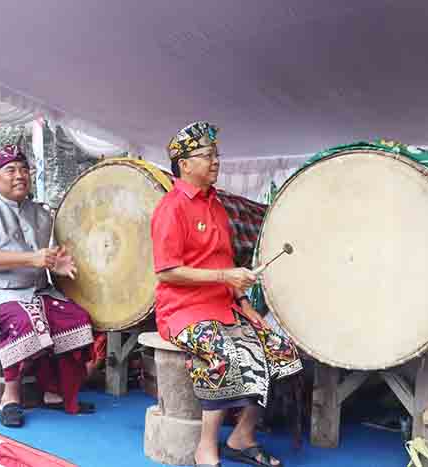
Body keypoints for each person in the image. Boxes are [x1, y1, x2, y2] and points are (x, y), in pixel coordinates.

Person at [152, 122, 303, 467]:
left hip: (223, 306)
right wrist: (224, 275)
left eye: (216, 154)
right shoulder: (170, 208)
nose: (215, 161)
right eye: (207, 155)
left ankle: (242, 436)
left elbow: (224, 266)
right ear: (184, 164)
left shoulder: (217, 205)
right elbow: (165, 271)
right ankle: (206, 447)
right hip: (182, 311)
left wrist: (245, 303)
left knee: (280, 350)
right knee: (225, 352)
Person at [0, 145, 95, 428]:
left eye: (24, 170)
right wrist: (33, 258)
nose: (19, 175)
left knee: (76, 319)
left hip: (35, 290)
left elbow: (47, 257)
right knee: (23, 320)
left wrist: (55, 264)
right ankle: (10, 397)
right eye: (10, 170)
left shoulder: (42, 213)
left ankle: (55, 393)